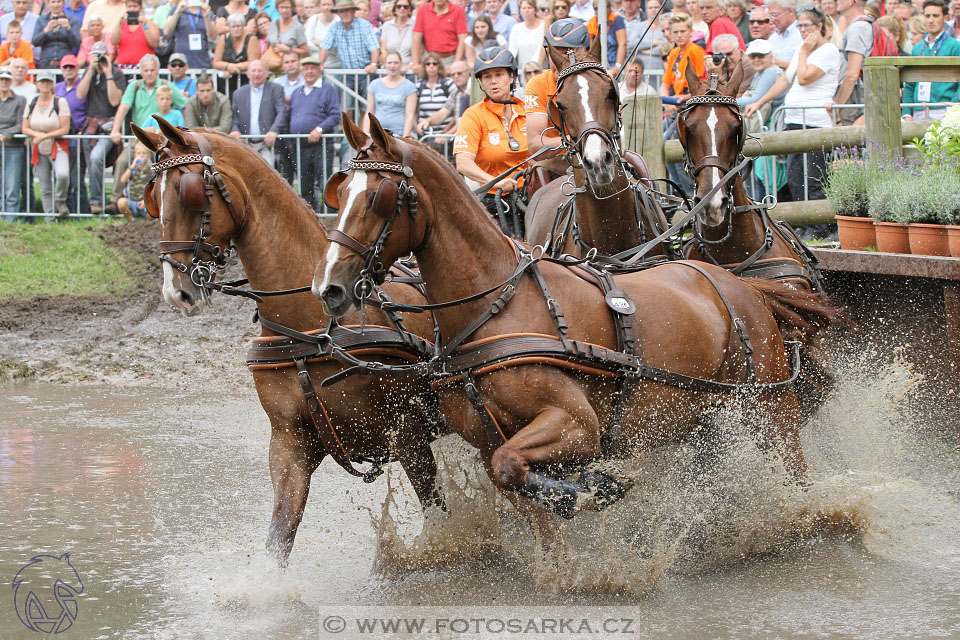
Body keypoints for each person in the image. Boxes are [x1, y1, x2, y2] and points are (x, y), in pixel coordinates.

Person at [744, 6, 842, 201]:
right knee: (795, 177)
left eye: (807, 26)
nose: (803, 30)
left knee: (814, 178)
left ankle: (819, 227)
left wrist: (804, 52)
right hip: (794, 119)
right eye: (800, 26)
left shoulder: (828, 50)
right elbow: (785, 80)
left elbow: (805, 78)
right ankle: (804, 226)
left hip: (815, 121)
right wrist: (760, 102)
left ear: (819, 26)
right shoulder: (802, 49)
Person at [453, 46, 528, 219]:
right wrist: (497, 181)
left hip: (533, 196)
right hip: (494, 201)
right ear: (481, 82)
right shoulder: (473, 115)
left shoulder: (528, 111)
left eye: (499, 74)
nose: (493, 81)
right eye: (487, 77)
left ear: (511, 77)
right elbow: (463, 163)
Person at [524, 18, 590, 157]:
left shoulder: (604, 79)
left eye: (566, 54)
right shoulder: (538, 84)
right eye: (553, 54)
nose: (557, 62)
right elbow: (534, 145)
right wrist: (574, 141)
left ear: (585, 54)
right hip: (558, 159)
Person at [76, 40, 125, 214]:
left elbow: (114, 101)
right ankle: (98, 201)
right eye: (96, 55)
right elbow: (80, 94)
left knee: (97, 158)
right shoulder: (88, 73)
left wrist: (108, 72)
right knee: (92, 164)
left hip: (109, 124)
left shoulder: (117, 74)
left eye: (102, 55)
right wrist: (90, 69)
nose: (100, 59)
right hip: (90, 125)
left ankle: (96, 200)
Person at [287, 55, 339, 210]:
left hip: (321, 145)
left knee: (325, 184)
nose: (309, 71)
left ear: (319, 70)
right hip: (300, 146)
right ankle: (311, 218)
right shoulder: (297, 92)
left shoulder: (328, 89)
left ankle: (330, 217)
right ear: (302, 71)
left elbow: (335, 115)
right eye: (306, 68)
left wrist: (320, 129)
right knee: (304, 185)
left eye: (313, 68)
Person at [22, 69, 72, 218]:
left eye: (48, 81)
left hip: (57, 146)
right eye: (42, 81)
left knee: (62, 175)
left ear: (52, 84)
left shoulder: (60, 101)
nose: (45, 84)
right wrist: (37, 135)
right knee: (44, 186)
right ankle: (49, 218)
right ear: (37, 84)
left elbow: (65, 128)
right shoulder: (31, 102)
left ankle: (60, 200)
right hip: (39, 148)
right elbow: (24, 127)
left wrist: (44, 136)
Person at [903, 0, 960, 120]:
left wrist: (953, 108)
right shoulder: (917, 48)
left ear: (945, 18)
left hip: (944, 110)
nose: (930, 20)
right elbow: (909, 83)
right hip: (918, 110)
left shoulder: (955, 46)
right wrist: (907, 112)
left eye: (935, 16)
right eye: (927, 16)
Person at [318, 0, 379, 109]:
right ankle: (349, 127)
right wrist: (320, 64)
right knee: (346, 109)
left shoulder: (364, 25)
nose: (345, 14)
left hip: (366, 74)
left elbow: (374, 47)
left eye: (347, 11)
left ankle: (363, 127)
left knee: (366, 108)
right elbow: (325, 46)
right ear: (338, 13)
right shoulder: (335, 27)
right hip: (347, 75)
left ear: (353, 11)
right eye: (342, 11)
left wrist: (373, 64)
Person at [229, 59, 287, 164]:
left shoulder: (276, 89)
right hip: (246, 144)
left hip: (268, 145)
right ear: (247, 74)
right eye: (253, 70)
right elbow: (234, 116)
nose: (256, 74)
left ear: (267, 73)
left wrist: (274, 130)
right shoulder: (239, 93)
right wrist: (235, 129)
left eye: (260, 71)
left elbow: (282, 112)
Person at [54, 54, 88, 213]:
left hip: (76, 135)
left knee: (76, 176)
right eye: (65, 67)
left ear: (77, 68)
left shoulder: (83, 86)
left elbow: (90, 109)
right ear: (61, 69)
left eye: (71, 67)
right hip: (58, 136)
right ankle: (64, 207)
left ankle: (79, 210)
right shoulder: (56, 88)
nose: (68, 70)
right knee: (62, 175)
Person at [660, 12, 705, 117]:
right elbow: (664, 86)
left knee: (669, 134)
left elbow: (702, 87)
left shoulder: (696, 51)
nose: (679, 35)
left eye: (683, 31)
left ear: (690, 31)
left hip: (693, 107)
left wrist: (686, 97)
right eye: (675, 32)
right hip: (676, 106)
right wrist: (667, 102)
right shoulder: (673, 53)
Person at [365, 49, 416, 136]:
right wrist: (366, 134)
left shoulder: (409, 86)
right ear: (385, 64)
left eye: (396, 63)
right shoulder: (375, 84)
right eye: (389, 63)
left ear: (401, 64)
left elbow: (410, 115)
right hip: (378, 133)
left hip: (398, 134)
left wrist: (406, 137)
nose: (392, 66)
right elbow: (369, 112)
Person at [411, 0, 468, 74]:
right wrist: (415, 63)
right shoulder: (423, 9)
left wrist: (455, 63)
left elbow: (462, 39)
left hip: (450, 58)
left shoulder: (458, 10)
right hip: (429, 58)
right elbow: (416, 38)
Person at [0, 69, 26, 219]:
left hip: (13, 147)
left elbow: (21, 123)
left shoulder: (19, 100)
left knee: (11, 185)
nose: (3, 82)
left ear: (11, 81)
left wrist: (6, 135)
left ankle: (10, 220)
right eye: (1, 79)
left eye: (6, 79)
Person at [212, 13, 259, 94]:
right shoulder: (224, 38)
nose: (236, 29)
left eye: (238, 26)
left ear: (243, 26)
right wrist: (228, 66)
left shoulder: (251, 38)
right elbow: (216, 62)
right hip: (226, 83)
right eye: (233, 26)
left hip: (245, 81)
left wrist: (236, 67)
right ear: (229, 28)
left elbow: (253, 62)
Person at [164, 0, 217, 69]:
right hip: (181, 62)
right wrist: (178, 12)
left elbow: (213, 36)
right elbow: (167, 31)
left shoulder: (206, 11)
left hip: (202, 61)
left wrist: (207, 17)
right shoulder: (176, 9)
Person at [413, 53, 454, 138]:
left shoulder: (448, 83)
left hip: (444, 135)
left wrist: (445, 132)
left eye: (434, 63)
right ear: (424, 67)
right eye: (428, 64)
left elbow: (455, 111)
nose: (431, 66)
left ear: (439, 66)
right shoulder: (418, 85)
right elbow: (412, 111)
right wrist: (416, 127)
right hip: (424, 134)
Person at [33, 0, 82, 69]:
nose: (56, 5)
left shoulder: (72, 20)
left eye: (59, 2)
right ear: (48, 3)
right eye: (53, 2)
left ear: (63, 3)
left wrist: (68, 28)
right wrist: (46, 30)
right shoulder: (41, 20)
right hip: (46, 62)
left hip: (66, 63)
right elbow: (35, 42)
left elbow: (76, 43)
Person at [112, 0, 161, 67]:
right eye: (130, 6)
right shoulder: (122, 25)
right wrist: (119, 23)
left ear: (140, 8)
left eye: (135, 6)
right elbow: (114, 41)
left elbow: (154, 44)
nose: (132, 9)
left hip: (144, 68)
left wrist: (145, 26)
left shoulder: (148, 23)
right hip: (124, 67)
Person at [587, 0, 627, 70]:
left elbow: (622, 43)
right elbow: (590, 48)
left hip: (614, 63)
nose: (599, 11)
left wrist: (618, 65)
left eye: (602, 7)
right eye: (596, 8)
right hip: (597, 64)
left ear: (609, 8)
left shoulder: (617, 20)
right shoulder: (591, 23)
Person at [117, 142, 151, 219]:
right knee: (121, 202)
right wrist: (132, 166)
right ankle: (131, 220)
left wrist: (145, 201)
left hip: (146, 203)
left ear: (149, 156)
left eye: (144, 153)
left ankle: (148, 224)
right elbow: (123, 180)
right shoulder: (132, 170)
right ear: (135, 155)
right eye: (138, 153)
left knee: (155, 207)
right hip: (132, 202)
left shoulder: (151, 171)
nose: (141, 155)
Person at [509, 0, 545, 69]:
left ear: (535, 9)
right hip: (523, 71)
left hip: (539, 68)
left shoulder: (543, 26)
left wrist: (532, 66)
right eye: (524, 8)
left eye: (529, 8)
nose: (526, 10)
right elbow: (512, 51)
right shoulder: (516, 28)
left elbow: (541, 48)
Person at [634, 0, 665, 78]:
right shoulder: (639, 26)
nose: (653, 10)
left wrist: (641, 49)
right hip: (641, 73)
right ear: (646, 10)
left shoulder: (666, 27)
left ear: (661, 9)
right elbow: (633, 44)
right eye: (650, 8)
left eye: (656, 7)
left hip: (660, 72)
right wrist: (655, 42)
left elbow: (665, 48)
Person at [767, 0, 801, 70]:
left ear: (790, 11)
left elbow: (800, 68)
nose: (772, 20)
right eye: (769, 16)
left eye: (774, 15)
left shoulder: (802, 34)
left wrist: (770, 60)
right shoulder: (772, 38)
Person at [379, 0, 414, 67]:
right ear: (395, 9)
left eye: (405, 7)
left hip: (408, 68)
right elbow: (383, 48)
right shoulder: (387, 25)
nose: (402, 8)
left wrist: (408, 67)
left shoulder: (415, 25)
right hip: (389, 67)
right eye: (398, 6)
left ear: (410, 9)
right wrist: (388, 64)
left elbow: (419, 50)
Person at [305, 0, 340, 64]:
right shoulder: (313, 19)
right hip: (314, 63)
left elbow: (337, 47)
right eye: (324, 5)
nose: (326, 7)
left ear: (334, 6)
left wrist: (318, 42)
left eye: (329, 4)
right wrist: (328, 46)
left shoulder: (339, 20)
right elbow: (308, 44)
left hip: (335, 64)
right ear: (319, 7)